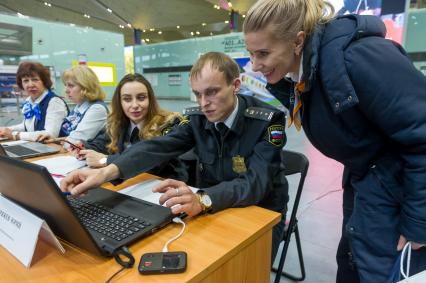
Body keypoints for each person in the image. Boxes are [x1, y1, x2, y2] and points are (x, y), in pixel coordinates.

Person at [243, 0, 426, 282]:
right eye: (251, 54)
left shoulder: (358, 57)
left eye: (264, 53)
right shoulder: (303, 77)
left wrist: (419, 221)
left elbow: (421, 132)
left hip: (404, 195)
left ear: (297, 41)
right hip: (369, 190)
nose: (255, 66)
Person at [61, 52, 289, 262]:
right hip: (211, 205)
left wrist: (203, 199)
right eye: (197, 94)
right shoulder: (199, 118)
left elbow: (257, 182)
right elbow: (158, 146)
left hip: (262, 211)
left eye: (212, 92)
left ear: (235, 85)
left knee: (248, 268)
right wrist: (105, 172)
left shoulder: (267, 121)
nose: (203, 103)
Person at [75, 73, 188, 181]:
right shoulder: (118, 124)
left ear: (150, 100)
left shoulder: (168, 123)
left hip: (160, 187)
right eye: (127, 99)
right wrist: (84, 147)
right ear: (120, 102)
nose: (134, 105)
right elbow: (102, 143)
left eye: (141, 98)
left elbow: (151, 162)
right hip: (128, 184)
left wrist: (105, 160)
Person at [37, 65, 108, 145]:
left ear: (86, 86)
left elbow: (74, 142)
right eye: (65, 85)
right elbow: (70, 137)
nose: (66, 90)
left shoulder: (97, 109)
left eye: (71, 86)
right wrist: (54, 139)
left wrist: (57, 140)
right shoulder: (79, 106)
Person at [0, 62, 68, 141]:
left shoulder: (54, 102)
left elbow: (50, 134)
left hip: (57, 150)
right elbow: (26, 126)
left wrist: (15, 135)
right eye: (26, 81)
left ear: (44, 81)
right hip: (39, 147)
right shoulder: (30, 102)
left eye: (35, 80)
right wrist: (5, 130)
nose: (30, 85)